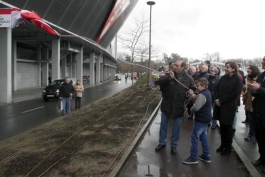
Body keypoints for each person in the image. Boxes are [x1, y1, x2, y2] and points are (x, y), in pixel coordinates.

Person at [154, 60, 196, 155]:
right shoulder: (168, 74)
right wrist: (168, 78)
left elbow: (194, 89)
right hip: (166, 105)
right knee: (163, 126)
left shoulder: (188, 79)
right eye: (174, 65)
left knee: (176, 129)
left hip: (179, 107)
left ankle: (174, 146)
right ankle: (162, 143)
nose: (174, 66)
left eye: (177, 65)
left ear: (183, 67)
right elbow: (158, 82)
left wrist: (192, 92)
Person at [213, 61, 243, 155]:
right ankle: (223, 145)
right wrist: (217, 99)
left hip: (229, 106)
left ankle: (228, 147)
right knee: (222, 126)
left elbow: (234, 94)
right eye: (225, 67)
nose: (225, 68)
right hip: (220, 105)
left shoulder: (237, 80)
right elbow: (216, 88)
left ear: (233, 69)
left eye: (228, 67)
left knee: (228, 128)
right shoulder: (223, 77)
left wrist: (221, 100)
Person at [183, 78, 212, 164]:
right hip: (206, 118)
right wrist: (194, 96)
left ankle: (194, 157)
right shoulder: (206, 92)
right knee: (203, 136)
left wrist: (189, 110)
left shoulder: (202, 95)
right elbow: (200, 102)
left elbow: (196, 107)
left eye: (198, 86)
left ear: (203, 86)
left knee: (194, 137)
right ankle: (206, 156)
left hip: (201, 119)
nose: (196, 87)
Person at [247, 56, 265, 173]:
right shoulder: (262, 75)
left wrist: (258, 89)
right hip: (259, 112)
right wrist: (254, 88)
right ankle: (262, 158)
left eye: (264, 60)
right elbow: (257, 88)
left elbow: (261, 89)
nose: (262, 62)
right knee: (260, 137)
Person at [242, 65, 260, 142]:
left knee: (253, 120)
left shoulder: (257, 78)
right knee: (250, 119)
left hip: (254, 103)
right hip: (248, 102)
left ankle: (253, 136)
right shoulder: (248, 78)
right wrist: (245, 88)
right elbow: (245, 92)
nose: (248, 70)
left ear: (253, 70)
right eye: (247, 68)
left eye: (249, 69)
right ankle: (250, 134)